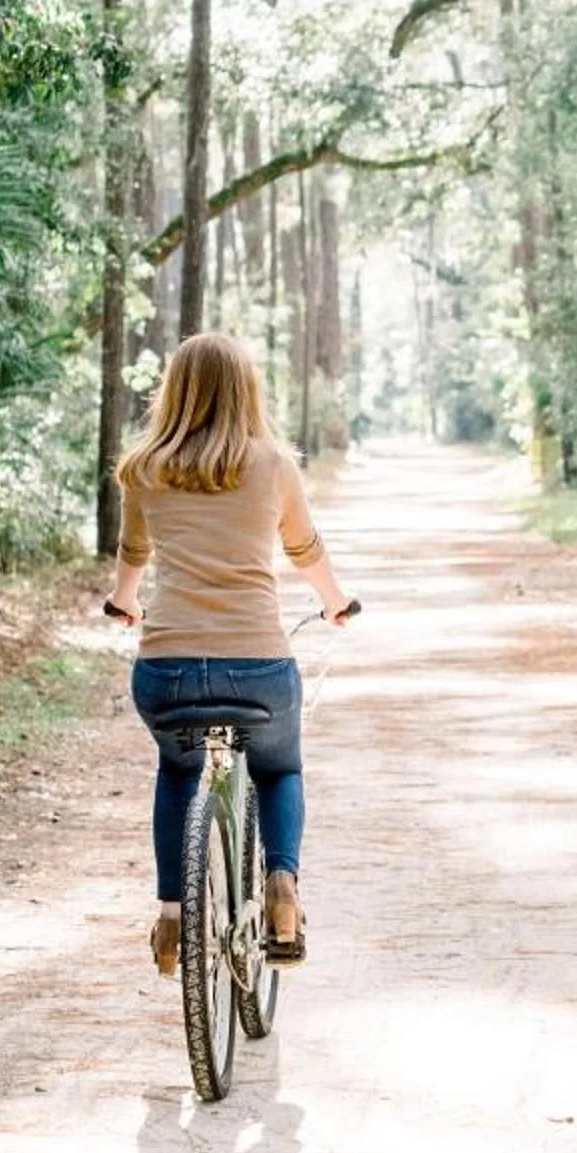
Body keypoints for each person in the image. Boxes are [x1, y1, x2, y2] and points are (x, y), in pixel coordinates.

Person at [104, 332, 354, 976]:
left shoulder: (144, 468)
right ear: (247, 390)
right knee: (279, 770)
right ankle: (282, 886)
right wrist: (335, 603)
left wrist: (125, 600)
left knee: (178, 770)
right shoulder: (272, 464)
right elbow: (305, 550)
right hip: (259, 670)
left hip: (167, 671)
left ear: (175, 390)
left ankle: (168, 916)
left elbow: (134, 556)